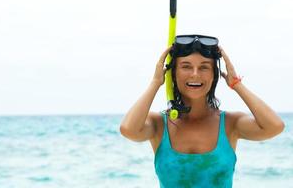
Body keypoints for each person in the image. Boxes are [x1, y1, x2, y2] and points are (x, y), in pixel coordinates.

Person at [119, 34, 285, 187]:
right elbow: (128, 130)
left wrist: (236, 84)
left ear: (214, 74)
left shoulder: (230, 124)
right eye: (186, 66)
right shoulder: (159, 124)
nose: (195, 74)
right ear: (173, 73)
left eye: (204, 67)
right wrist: (156, 82)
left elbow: (274, 126)